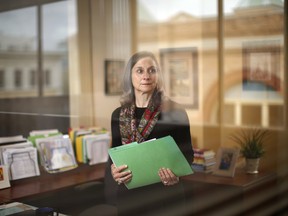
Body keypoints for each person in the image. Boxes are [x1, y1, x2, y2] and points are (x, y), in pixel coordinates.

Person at [105, 51, 194, 216]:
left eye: (152, 70)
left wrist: (176, 175)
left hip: (166, 196)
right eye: (139, 71)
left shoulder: (175, 112)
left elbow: (188, 155)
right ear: (129, 77)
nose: (146, 76)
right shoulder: (118, 115)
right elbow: (115, 155)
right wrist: (114, 171)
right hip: (129, 197)